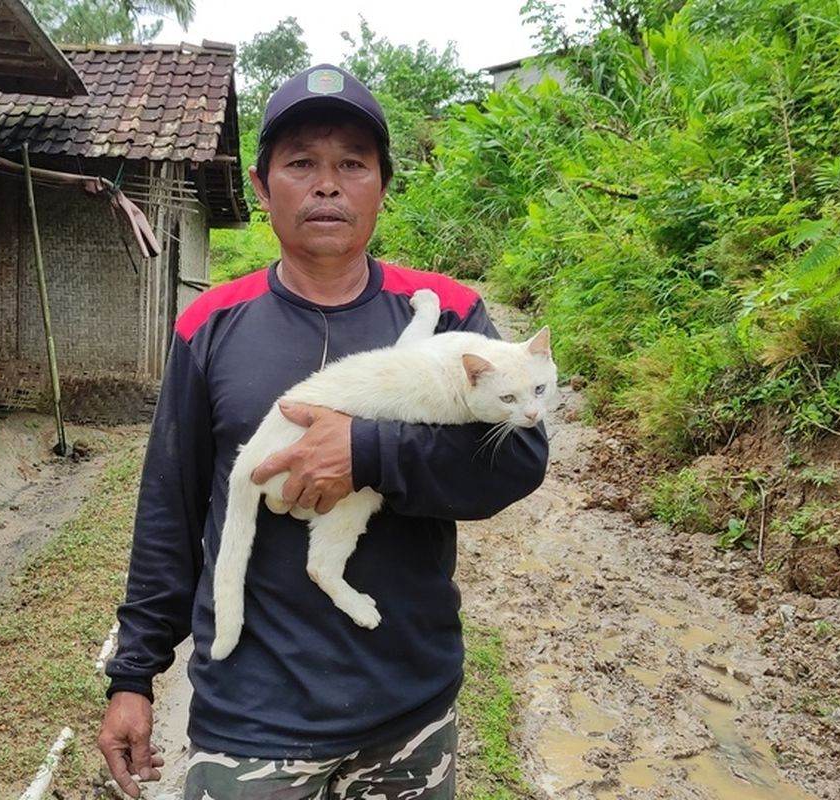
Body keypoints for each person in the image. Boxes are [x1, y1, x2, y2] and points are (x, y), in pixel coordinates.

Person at [98, 64, 549, 799]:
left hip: (409, 710)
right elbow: (171, 510)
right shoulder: (210, 325)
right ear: (260, 182)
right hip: (251, 716)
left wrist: (365, 450)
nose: (328, 184)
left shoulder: (451, 315)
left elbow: (516, 462)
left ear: (382, 183)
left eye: (353, 164)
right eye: (302, 162)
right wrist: (132, 675)